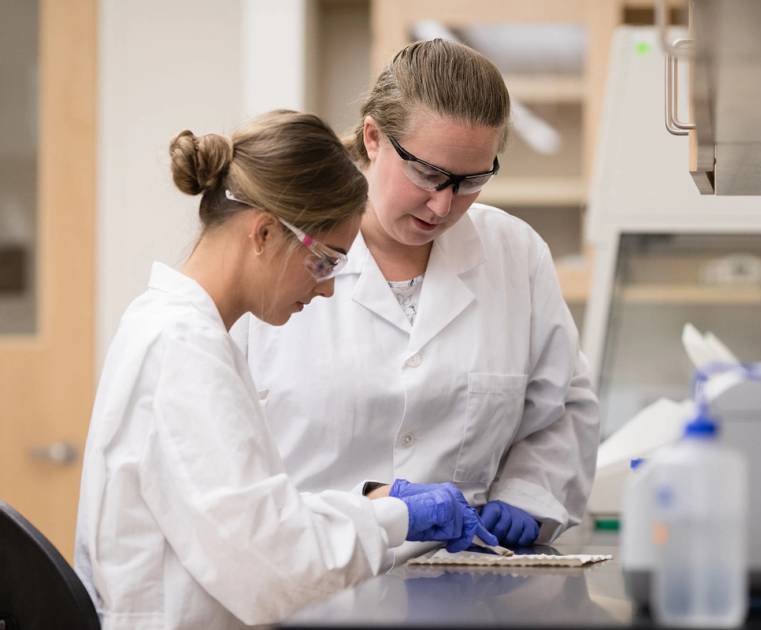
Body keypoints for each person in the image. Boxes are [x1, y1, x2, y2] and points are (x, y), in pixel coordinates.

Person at [74, 110, 496, 630]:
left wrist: (372, 507)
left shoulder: (179, 330)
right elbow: (275, 571)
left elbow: (255, 523)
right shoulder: (182, 350)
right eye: (326, 261)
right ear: (265, 233)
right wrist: (400, 519)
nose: (327, 288)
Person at [232, 40, 600, 552]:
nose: (444, 204)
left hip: (461, 578)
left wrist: (528, 493)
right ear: (374, 137)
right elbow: (228, 467)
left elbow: (562, 407)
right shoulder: (283, 253)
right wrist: (375, 509)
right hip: (312, 572)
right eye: (428, 173)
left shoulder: (514, 255)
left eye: (472, 180)